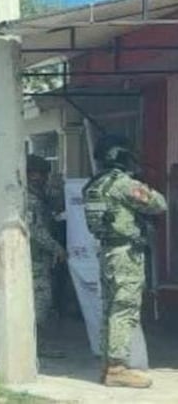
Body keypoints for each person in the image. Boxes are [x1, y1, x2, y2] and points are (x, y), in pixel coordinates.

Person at [83, 135, 167, 388]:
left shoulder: (94, 185)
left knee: (110, 308)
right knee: (124, 309)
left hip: (107, 252)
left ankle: (108, 365)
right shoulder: (122, 184)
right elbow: (159, 204)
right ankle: (117, 368)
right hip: (125, 254)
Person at [25, 155, 67, 357]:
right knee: (41, 301)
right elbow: (35, 230)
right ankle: (36, 346)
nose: (43, 179)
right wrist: (56, 248)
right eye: (40, 174)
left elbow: (57, 206)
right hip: (34, 258)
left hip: (38, 257)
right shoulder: (29, 199)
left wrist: (58, 189)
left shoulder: (38, 195)